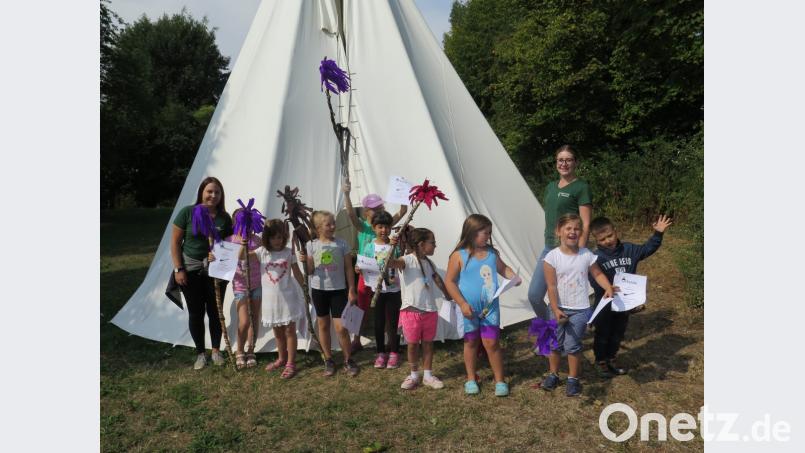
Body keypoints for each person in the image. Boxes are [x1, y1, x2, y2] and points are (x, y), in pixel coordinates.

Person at [539, 213, 617, 397]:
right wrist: (556, 308)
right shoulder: (551, 257)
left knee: (573, 345)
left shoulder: (586, 255)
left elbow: (597, 274)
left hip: (580, 309)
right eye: (568, 228)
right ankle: (553, 374)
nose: (573, 232)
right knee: (555, 344)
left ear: (581, 232)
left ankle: (573, 379)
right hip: (557, 308)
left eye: (576, 229)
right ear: (559, 231)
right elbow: (551, 285)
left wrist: (608, 286)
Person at [444, 214, 521, 397]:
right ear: (472, 232)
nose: (488, 236)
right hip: (469, 310)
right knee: (470, 342)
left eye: (489, 233)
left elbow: (504, 269)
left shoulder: (492, 254)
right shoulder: (458, 256)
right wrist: (462, 303)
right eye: (485, 233)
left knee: (492, 342)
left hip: (490, 308)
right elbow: (450, 281)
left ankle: (500, 380)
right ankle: (471, 378)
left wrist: (513, 277)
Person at [588, 214, 673, 377]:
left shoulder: (630, 250)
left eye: (610, 236)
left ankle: (612, 358)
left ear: (616, 231)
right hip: (605, 303)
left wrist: (658, 234)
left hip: (625, 304)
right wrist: (604, 288)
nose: (607, 240)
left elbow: (647, 249)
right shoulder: (596, 258)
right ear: (596, 240)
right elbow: (593, 277)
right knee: (603, 333)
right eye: (602, 239)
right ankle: (600, 361)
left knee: (618, 332)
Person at [170, 177, 233, 370]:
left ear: (221, 196)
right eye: (209, 191)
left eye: (217, 192)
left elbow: (229, 244)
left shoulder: (224, 217)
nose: (213, 195)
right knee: (196, 313)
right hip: (190, 270)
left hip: (215, 272)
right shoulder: (187, 213)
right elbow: (174, 243)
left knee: (215, 312)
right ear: (202, 192)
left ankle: (215, 350)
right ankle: (200, 353)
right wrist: (178, 269)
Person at [528, 145, 592, 319]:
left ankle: (573, 329)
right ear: (556, 162)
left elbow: (585, 223)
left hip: (569, 250)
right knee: (534, 295)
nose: (564, 163)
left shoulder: (581, 187)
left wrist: (579, 251)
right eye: (560, 160)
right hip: (549, 248)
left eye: (568, 160)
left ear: (575, 162)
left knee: (568, 296)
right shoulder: (550, 187)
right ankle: (550, 330)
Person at [343, 181, 407, 352]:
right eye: (374, 208)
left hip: (386, 272)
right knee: (361, 306)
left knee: (386, 308)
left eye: (380, 207)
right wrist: (347, 194)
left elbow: (403, 212)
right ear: (366, 212)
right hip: (366, 272)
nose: (378, 211)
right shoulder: (363, 226)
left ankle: (389, 341)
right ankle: (356, 339)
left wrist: (401, 194)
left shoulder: (385, 224)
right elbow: (350, 214)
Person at [387, 228, 451, 390]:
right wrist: (391, 247)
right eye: (433, 243)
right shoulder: (406, 260)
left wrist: (448, 295)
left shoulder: (429, 263)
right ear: (422, 244)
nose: (435, 246)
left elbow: (437, 279)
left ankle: (428, 375)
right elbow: (390, 263)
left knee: (428, 344)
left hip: (430, 311)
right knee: (413, 345)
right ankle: (414, 374)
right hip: (411, 311)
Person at [300, 211, 360, 377]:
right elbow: (311, 271)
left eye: (333, 223)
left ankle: (348, 359)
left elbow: (349, 268)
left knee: (341, 328)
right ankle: (328, 359)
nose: (333, 226)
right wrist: (305, 261)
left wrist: (351, 289)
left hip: (338, 290)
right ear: (318, 228)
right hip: (319, 290)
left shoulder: (342, 244)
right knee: (323, 325)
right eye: (328, 224)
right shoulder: (311, 245)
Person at [257, 219, 307, 379]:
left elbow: (297, 272)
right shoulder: (262, 252)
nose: (277, 241)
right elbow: (243, 255)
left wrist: (305, 287)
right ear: (267, 238)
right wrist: (243, 241)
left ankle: (291, 363)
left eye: (279, 237)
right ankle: (281, 358)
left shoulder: (288, 252)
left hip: (288, 299)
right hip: (270, 302)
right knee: (277, 333)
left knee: (290, 331)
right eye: (273, 237)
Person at [355, 211, 403, 369]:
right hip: (377, 291)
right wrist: (359, 268)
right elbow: (364, 265)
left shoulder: (394, 244)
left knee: (394, 322)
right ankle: (381, 353)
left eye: (387, 227)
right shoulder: (369, 247)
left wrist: (398, 246)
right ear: (374, 228)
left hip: (393, 289)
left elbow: (401, 262)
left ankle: (394, 352)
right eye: (380, 227)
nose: (384, 230)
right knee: (378, 322)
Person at [225, 209, 262, 369]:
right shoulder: (230, 241)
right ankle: (239, 350)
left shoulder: (257, 240)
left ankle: (251, 349)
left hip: (256, 285)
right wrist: (242, 245)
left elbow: (263, 257)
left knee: (254, 319)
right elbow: (230, 260)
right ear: (235, 223)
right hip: (240, 286)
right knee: (244, 321)